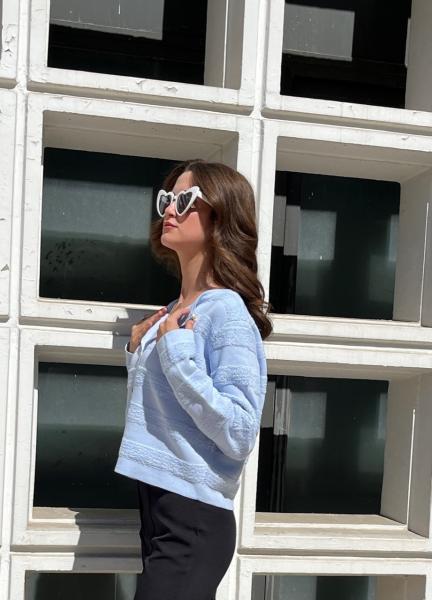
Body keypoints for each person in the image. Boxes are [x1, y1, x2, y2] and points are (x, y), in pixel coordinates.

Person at [115, 159, 273, 600]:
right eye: (167, 198)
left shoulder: (226, 312)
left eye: (185, 200)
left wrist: (175, 355)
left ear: (221, 215)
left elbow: (239, 432)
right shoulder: (174, 314)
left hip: (193, 516)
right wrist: (137, 354)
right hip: (159, 505)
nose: (170, 209)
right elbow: (168, 416)